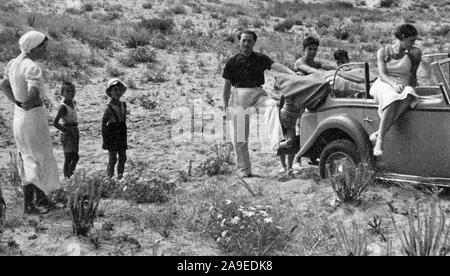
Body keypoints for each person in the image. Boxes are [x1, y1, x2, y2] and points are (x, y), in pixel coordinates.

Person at [0, 30, 60, 214]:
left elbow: (3, 85)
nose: (45, 50)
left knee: (27, 157)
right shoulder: (31, 67)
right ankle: (35, 202)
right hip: (32, 117)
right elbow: (33, 93)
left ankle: (35, 201)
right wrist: (29, 102)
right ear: (34, 47)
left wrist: (17, 102)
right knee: (40, 158)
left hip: (19, 117)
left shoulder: (13, 64)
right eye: (43, 47)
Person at [222, 30, 296, 177]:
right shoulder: (232, 62)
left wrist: (292, 73)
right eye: (244, 40)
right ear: (239, 42)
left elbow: (276, 66)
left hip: (258, 94)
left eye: (249, 41)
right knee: (240, 136)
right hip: (239, 96)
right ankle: (244, 170)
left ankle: (278, 142)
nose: (246, 43)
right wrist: (225, 109)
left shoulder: (260, 58)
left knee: (272, 105)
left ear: (254, 42)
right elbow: (226, 87)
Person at [369, 24, 421, 156]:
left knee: (409, 94)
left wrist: (414, 89)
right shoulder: (383, 52)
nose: (413, 43)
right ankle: (380, 141)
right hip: (384, 84)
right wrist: (393, 84)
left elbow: (413, 75)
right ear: (402, 37)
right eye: (411, 40)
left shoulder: (414, 53)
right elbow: (382, 74)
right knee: (391, 96)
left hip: (401, 86)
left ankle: (379, 132)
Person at [102, 78, 128, 179]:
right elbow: (103, 124)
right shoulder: (108, 107)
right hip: (112, 132)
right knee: (113, 158)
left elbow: (124, 119)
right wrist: (105, 140)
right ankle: (110, 178)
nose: (117, 92)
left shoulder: (123, 105)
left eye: (119, 90)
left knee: (123, 156)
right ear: (110, 92)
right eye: (115, 90)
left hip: (121, 132)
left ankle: (120, 177)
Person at [53, 82, 79, 179]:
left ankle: (70, 175)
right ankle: (67, 178)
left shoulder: (73, 102)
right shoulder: (63, 107)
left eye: (72, 91)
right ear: (62, 93)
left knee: (75, 156)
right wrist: (67, 131)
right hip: (67, 131)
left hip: (74, 130)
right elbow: (55, 122)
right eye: (67, 91)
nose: (70, 93)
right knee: (68, 157)